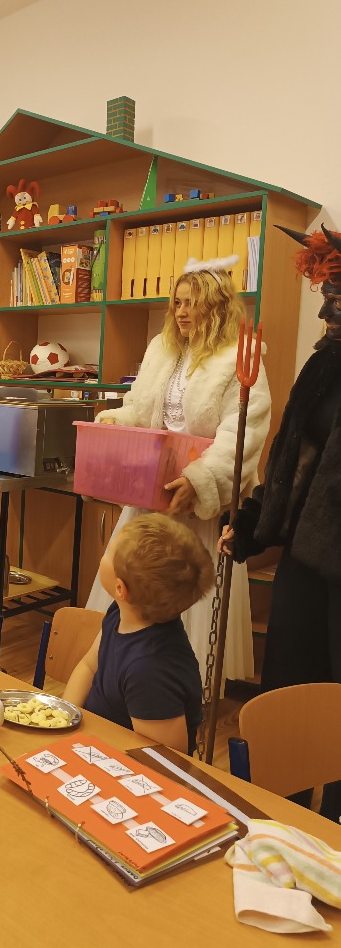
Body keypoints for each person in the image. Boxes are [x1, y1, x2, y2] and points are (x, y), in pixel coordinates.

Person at [86, 255, 271, 684]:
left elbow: (243, 435)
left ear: (217, 306)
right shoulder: (161, 348)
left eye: (192, 303)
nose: (182, 312)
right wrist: (114, 420)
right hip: (151, 493)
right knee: (131, 580)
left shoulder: (241, 358)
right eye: (178, 303)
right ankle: (122, 674)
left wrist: (200, 480)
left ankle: (178, 686)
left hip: (198, 504)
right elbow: (141, 408)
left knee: (188, 592)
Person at [219, 224, 341, 822]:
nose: (326, 313)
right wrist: (250, 524)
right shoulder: (324, 367)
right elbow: (295, 462)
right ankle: (279, 812)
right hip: (308, 561)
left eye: (337, 300)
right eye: (328, 296)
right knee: (291, 685)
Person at [64, 513, 214, 755]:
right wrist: (65, 719)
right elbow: (89, 666)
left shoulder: (151, 670)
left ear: (120, 588)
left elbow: (165, 758)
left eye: (108, 551)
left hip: (117, 764)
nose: (103, 554)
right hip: (89, 744)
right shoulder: (121, 612)